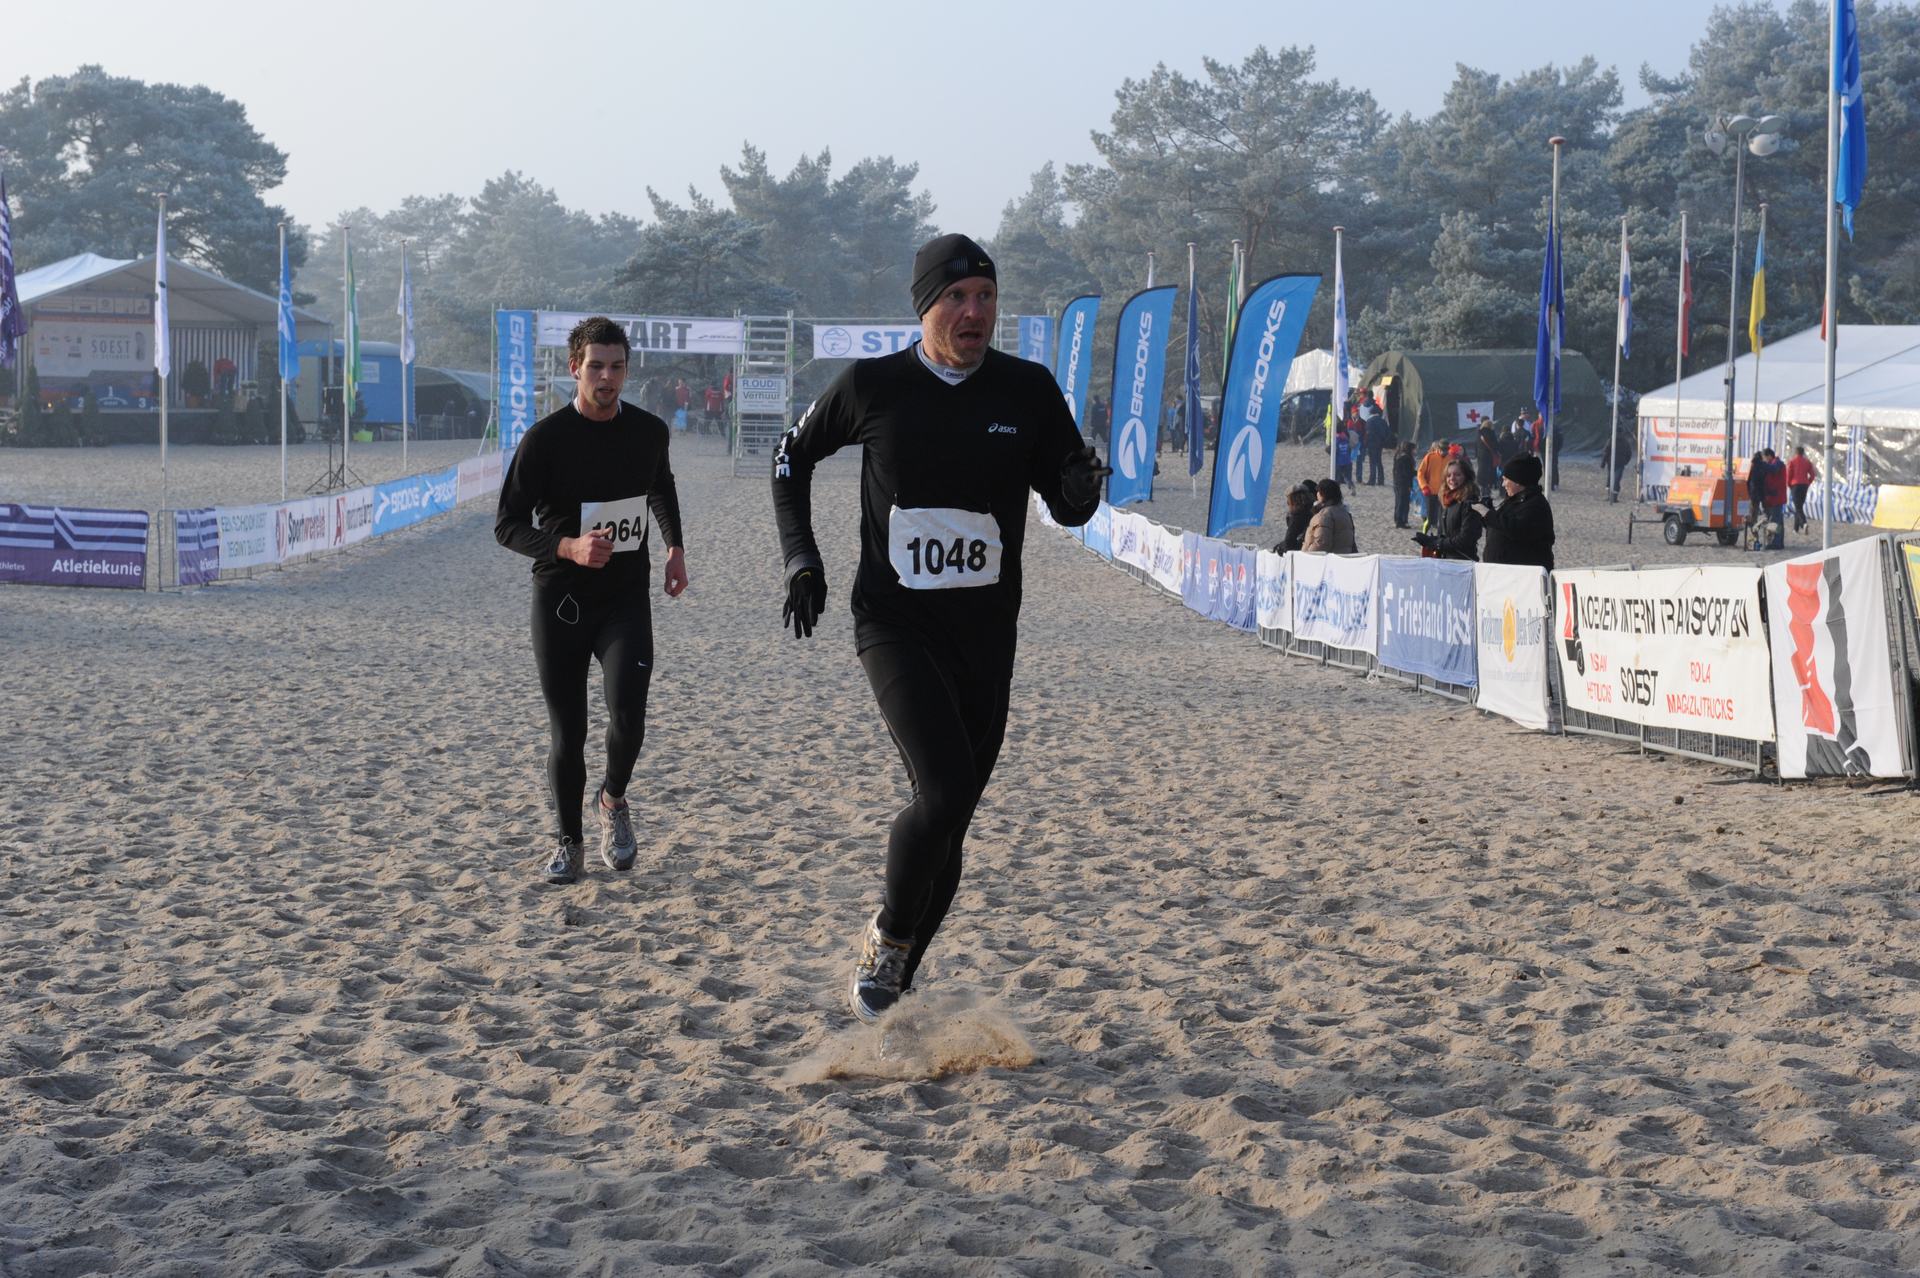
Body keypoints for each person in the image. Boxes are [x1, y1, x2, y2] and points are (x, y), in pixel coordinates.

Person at [770, 233, 1108, 1023]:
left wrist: (1080, 492)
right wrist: (801, 559)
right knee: (946, 787)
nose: (973, 311)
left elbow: (1067, 504)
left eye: (985, 296)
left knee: (949, 822)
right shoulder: (874, 385)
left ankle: (894, 985)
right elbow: (790, 459)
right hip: (895, 625)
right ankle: (888, 936)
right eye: (956, 297)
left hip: (986, 638)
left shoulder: (1027, 390)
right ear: (924, 307)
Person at [495, 316, 690, 885]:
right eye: (597, 366)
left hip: (624, 598)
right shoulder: (545, 439)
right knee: (569, 731)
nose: (607, 378)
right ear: (574, 368)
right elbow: (507, 525)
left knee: (629, 714)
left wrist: (675, 548)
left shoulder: (649, 431)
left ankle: (613, 800)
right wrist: (567, 547)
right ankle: (568, 842)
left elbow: (660, 485)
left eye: (618, 367)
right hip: (561, 600)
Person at [1478, 454, 1554, 570]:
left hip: (1523, 574)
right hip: (1503, 572)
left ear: (1517, 481)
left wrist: (1488, 514)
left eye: (1505, 480)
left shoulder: (1536, 504)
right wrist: (1484, 515)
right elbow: (1501, 526)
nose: (1503, 484)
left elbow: (1516, 529)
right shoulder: (1514, 500)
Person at [1414, 456, 1483, 560]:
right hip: (1445, 559)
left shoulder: (1470, 503)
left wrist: (1436, 543)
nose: (1452, 478)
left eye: (1457, 475)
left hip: (1462, 561)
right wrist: (1430, 540)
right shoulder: (1446, 501)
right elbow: (1447, 534)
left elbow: (1465, 539)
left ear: (1466, 477)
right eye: (1448, 475)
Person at [1303, 478, 1357, 553]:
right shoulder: (1344, 512)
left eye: (1318, 491)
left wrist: (1306, 555)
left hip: (1327, 558)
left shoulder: (1325, 515)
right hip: (1342, 557)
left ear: (1322, 494)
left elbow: (1321, 544)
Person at [1760, 447, 1789, 550]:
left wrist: (1762, 465)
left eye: (1764, 458)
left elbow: (1773, 470)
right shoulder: (1774, 463)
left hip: (1776, 498)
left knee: (1775, 521)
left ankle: (1776, 543)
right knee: (1778, 521)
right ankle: (1779, 542)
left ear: (1769, 456)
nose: (1764, 460)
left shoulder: (1777, 463)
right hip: (1775, 497)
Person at [1416, 441, 1448, 531]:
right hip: (1430, 492)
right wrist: (1424, 486)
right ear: (1438, 448)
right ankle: (1424, 533)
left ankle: (1440, 535)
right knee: (1430, 518)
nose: (1443, 452)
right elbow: (1420, 473)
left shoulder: (1450, 458)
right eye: (1442, 450)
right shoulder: (1430, 457)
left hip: (1444, 493)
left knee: (1443, 518)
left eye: (1445, 450)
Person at [1276, 484, 1315, 553]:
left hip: (1300, 552)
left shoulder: (1296, 516)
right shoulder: (1313, 512)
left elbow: (1289, 542)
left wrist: (1280, 546)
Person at [1786, 445, 1816, 532]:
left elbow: (1789, 474)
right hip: (1804, 485)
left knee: (1798, 506)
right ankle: (1795, 529)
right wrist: (1808, 482)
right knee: (1799, 506)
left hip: (1795, 485)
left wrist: (1789, 484)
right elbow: (1813, 475)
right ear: (1803, 453)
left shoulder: (1792, 462)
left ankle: (1804, 523)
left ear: (1795, 452)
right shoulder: (1807, 462)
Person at [1391, 442, 1416, 528]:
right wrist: (1417, 473)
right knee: (1403, 503)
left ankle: (1398, 520)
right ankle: (1401, 521)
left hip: (1397, 482)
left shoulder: (1398, 456)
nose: (1415, 451)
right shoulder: (1406, 458)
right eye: (1413, 449)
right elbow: (1407, 472)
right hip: (1403, 483)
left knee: (1398, 502)